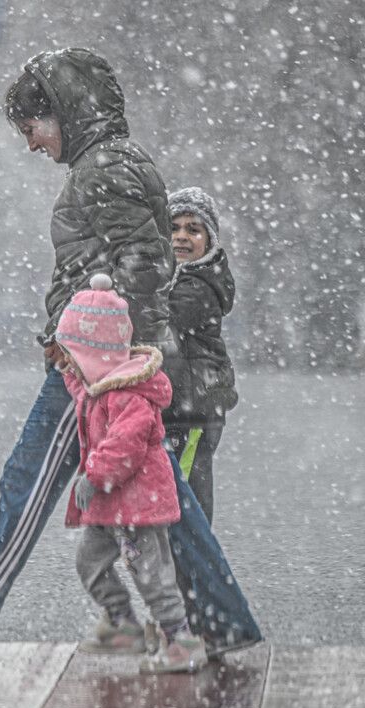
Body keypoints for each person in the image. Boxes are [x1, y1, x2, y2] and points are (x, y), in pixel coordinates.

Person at [0, 47, 175, 660]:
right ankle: (212, 621)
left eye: (32, 128)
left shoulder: (103, 169)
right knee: (161, 500)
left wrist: (101, 346)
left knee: (28, 484)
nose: (31, 144)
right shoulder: (109, 164)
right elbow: (132, 266)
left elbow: (146, 268)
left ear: (64, 110)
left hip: (96, 373)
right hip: (106, 366)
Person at [59, 274, 208, 673]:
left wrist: (92, 477)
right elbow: (79, 387)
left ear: (94, 354)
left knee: (152, 575)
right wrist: (68, 367)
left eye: (74, 353)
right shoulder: (97, 387)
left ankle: (181, 639)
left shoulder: (129, 396)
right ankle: (122, 622)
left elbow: (124, 448)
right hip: (111, 507)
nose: (70, 362)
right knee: (90, 562)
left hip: (138, 504)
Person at [161, 187, 237, 524]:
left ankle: (198, 572)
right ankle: (180, 569)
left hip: (193, 410)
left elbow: (163, 321)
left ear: (210, 239)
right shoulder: (176, 277)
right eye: (174, 228)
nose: (181, 237)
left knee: (186, 501)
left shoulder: (199, 286)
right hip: (177, 408)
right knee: (172, 494)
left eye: (193, 229)